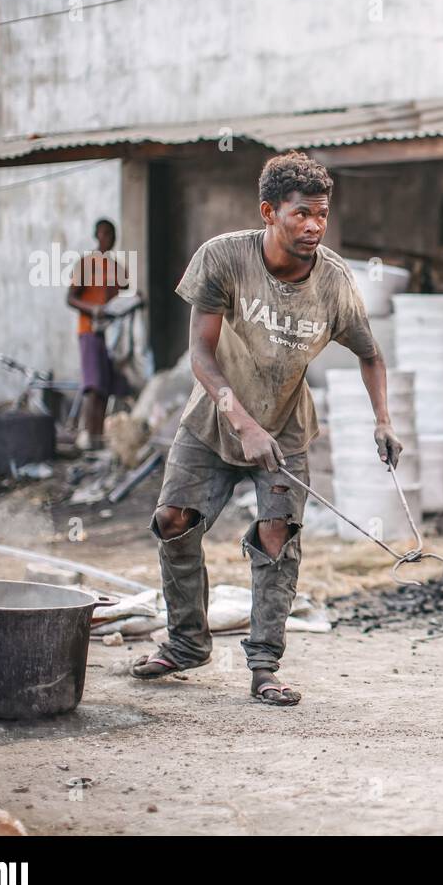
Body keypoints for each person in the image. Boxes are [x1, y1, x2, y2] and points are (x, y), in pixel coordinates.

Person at [131, 152, 402, 707]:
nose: (313, 226)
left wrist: (383, 421)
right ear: (268, 212)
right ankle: (185, 644)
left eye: (322, 215)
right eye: (301, 214)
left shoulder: (334, 283)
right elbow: (200, 355)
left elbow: (370, 355)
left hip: (287, 432)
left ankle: (264, 666)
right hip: (212, 424)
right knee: (173, 520)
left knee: (277, 539)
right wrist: (242, 423)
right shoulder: (223, 260)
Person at [67, 218, 131, 449]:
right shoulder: (86, 264)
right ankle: (89, 438)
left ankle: (97, 440)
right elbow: (71, 298)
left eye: (112, 234)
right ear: (97, 236)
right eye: (105, 234)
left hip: (109, 334)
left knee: (104, 387)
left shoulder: (113, 266)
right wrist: (94, 309)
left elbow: (125, 290)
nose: (109, 238)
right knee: (93, 386)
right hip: (90, 331)